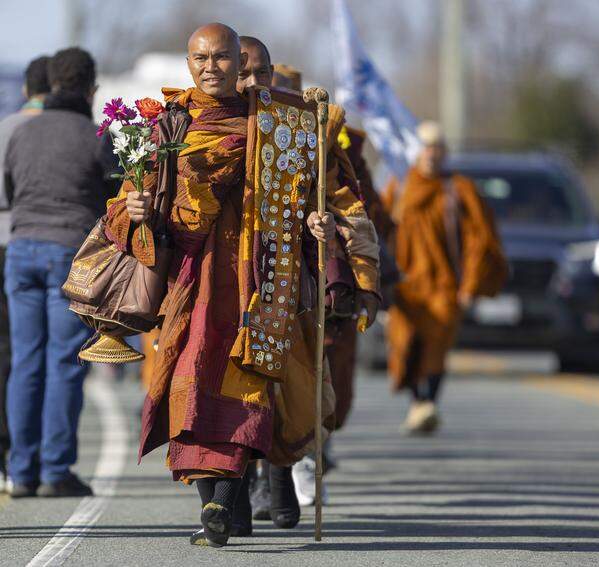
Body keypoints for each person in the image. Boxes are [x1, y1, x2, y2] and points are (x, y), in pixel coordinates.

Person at [105, 24, 379, 548]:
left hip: (262, 281)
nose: (212, 67)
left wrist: (319, 225)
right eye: (200, 58)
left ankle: (224, 503)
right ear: (188, 63)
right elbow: (123, 207)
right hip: (190, 284)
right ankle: (215, 502)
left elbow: (321, 197)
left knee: (246, 389)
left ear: (239, 60)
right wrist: (134, 209)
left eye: (223, 58)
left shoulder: (283, 123)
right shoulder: (167, 124)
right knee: (186, 388)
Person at [237, 38, 382, 512]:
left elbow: (347, 205)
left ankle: (280, 476)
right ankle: (244, 486)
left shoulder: (302, 130)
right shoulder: (205, 125)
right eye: (246, 74)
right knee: (236, 386)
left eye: (264, 76)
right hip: (229, 279)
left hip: (289, 277)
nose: (255, 85)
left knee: (285, 379)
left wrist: (325, 227)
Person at [3, 47, 119, 497]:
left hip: (21, 250)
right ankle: (55, 471)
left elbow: (11, 190)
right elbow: (112, 199)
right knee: (64, 363)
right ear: (91, 89)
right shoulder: (95, 136)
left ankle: (21, 471)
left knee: (25, 361)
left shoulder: (23, 134)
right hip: (70, 252)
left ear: (50, 85)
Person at [385, 121, 506, 434]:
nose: (431, 154)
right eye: (426, 147)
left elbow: (480, 240)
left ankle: (429, 403)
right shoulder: (399, 187)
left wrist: (471, 285)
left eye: (437, 147)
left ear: (445, 153)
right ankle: (417, 402)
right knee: (406, 344)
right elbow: (377, 228)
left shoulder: (459, 189)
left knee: (436, 344)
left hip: (444, 286)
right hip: (405, 286)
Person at [0, 55, 51, 493]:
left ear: (24, 90)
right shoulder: (61, 129)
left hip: (13, 242)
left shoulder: (6, 128)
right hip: (52, 241)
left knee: (18, 357)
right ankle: (47, 463)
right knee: (52, 358)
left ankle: (15, 458)